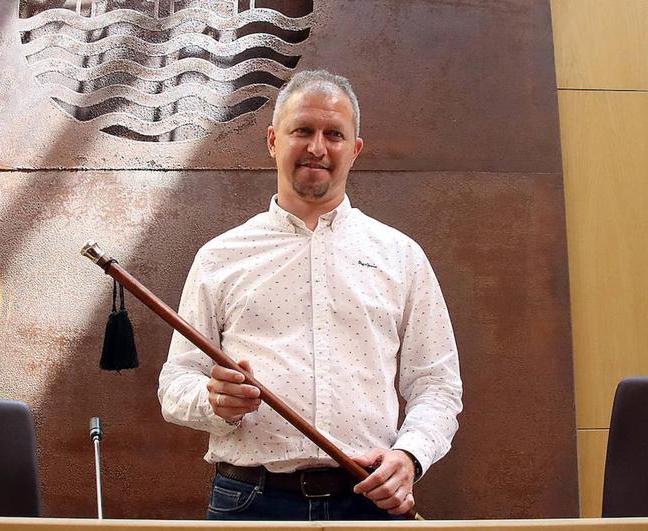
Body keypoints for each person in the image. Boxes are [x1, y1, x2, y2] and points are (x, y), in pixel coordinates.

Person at [158, 69, 462, 520]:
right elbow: (175, 383)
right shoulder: (220, 257)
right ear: (272, 141)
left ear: (355, 150)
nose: (317, 147)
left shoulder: (401, 256)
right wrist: (213, 401)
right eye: (302, 130)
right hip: (251, 504)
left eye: (334, 134)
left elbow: (436, 385)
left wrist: (411, 456)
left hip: (366, 502)